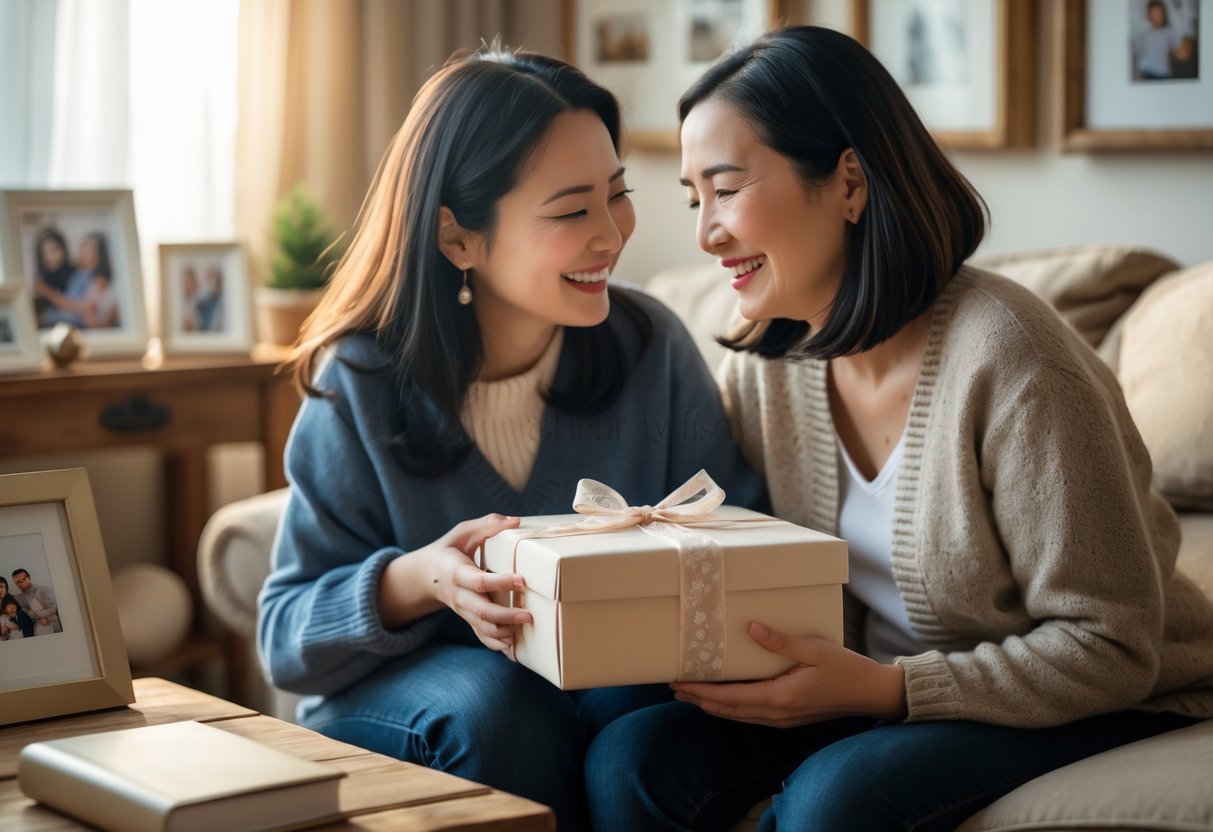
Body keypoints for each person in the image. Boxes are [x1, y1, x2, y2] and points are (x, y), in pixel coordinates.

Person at [584, 26, 1213, 831]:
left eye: (727, 189)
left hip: (1093, 695)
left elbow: (1111, 647)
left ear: (848, 182)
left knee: (835, 800)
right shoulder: (769, 364)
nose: (706, 232)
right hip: (866, 681)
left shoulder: (1014, 360)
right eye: (692, 199)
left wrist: (886, 689)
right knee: (632, 758)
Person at [256, 43, 764, 832]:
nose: (611, 235)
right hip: (411, 699)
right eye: (571, 211)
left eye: (617, 194)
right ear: (458, 238)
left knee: (634, 715)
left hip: (592, 685)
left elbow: (747, 539)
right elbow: (285, 638)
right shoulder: (363, 377)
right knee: (499, 709)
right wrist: (421, 580)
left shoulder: (648, 345)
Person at [36, 232, 118, 329]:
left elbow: (80, 309)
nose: (84, 249)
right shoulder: (78, 273)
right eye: (84, 245)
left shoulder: (97, 279)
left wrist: (47, 292)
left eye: (91, 248)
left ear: (99, 255)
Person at [1133, 0, 1191, 80]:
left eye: (1159, 14)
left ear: (1163, 14)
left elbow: (1181, 54)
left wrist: (1183, 49)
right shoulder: (1144, 33)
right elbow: (1138, 56)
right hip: (1146, 73)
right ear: (1149, 15)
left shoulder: (1169, 31)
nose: (1157, 17)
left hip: (1163, 75)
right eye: (1154, 14)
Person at [31, 227, 74, 328]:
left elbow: (76, 309)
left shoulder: (75, 275)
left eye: (54, 250)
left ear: (63, 250)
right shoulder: (44, 279)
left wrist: (47, 292)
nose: (50, 257)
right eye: (44, 253)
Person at [12, 568, 61, 635]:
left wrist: (39, 615)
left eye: (23, 579)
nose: (21, 583)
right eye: (17, 582)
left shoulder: (43, 589)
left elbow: (53, 607)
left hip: (52, 624)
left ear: (29, 578)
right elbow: (26, 610)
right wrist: (36, 617)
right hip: (37, 627)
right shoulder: (20, 597)